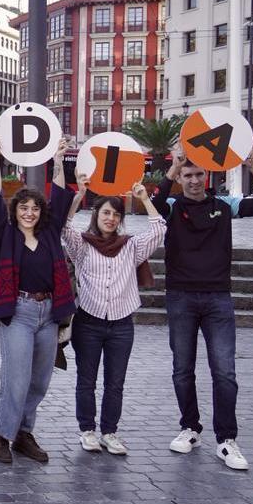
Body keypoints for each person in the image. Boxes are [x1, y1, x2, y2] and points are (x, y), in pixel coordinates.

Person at [152, 145, 253, 470]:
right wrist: (171, 168)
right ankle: (190, 428)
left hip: (217, 298)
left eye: (198, 174)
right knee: (183, 370)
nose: (194, 180)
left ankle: (226, 439)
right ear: (180, 177)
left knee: (225, 372)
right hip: (180, 296)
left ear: (206, 175)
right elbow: (149, 207)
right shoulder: (169, 206)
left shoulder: (224, 205)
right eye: (187, 175)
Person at [0, 136, 76, 464]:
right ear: (16, 211)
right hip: (18, 312)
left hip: (49, 313)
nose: (30, 212)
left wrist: (59, 161)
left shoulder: (50, 234)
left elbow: (62, 198)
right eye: (24, 207)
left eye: (35, 208)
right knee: (17, 378)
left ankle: (23, 433)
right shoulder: (3, 235)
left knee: (39, 381)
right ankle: (1, 435)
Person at [62, 175, 165, 455]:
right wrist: (77, 196)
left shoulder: (131, 246)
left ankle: (110, 431)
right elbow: (65, 226)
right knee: (87, 379)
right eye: (106, 212)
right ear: (96, 215)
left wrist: (144, 198)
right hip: (89, 321)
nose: (110, 218)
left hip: (121, 324)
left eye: (116, 214)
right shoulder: (82, 245)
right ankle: (88, 430)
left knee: (115, 382)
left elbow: (158, 231)